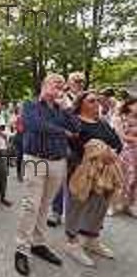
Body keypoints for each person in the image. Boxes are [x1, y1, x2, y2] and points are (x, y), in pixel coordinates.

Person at [14, 74, 79, 277]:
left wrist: (67, 107)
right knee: (31, 204)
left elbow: (77, 128)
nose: (60, 86)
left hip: (58, 161)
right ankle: (21, 248)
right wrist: (63, 132)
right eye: (55, 82)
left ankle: (38, 243)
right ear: (44, 85)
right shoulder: (30, 104)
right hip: (36, 159)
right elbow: (36, 125)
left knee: (44, 205)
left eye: (62, 84)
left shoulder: (62, 109)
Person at [64, 90, 123, 266]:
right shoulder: (74, 123)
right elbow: (71, 146)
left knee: (100, 204)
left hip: (104, 173)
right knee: (78, 204)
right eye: (91, 101)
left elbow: (117, 143)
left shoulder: (102, 123)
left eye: (97, 100)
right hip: (80, 170)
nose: (96, 103)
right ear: (80, 103)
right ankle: (72, 243)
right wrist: (96, 153)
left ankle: (91, 239)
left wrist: (110, 153)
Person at [48, 71, 87, 226]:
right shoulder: (60, 98)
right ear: (69, 83)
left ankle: (75, 215)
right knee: (59, 179)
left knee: (78, 181)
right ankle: (56, 212)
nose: (78, 83)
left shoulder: (87, 99)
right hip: (63, 144)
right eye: (75, 81)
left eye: (81, 81)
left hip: (80, 145)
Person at [114, 97, 137, 217]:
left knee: (134, 181)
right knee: (122, 178)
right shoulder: (120, 118)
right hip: (126, 152)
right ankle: (115, 204)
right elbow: (122, 136)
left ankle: (130, 205)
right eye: (135, 104)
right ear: (128, 105)